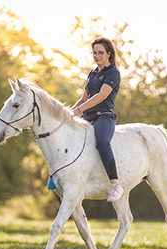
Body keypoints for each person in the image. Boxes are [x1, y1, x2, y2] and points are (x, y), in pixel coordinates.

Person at [71, 37, 124, 202]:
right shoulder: (92, 73)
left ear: (109, 54)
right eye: (94, 52)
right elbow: (84, 98)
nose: (97, 55)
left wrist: (79, 110)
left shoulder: (113, 72)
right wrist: (68, 112)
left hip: (104, 117)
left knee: (101, 141)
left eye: (100, 52)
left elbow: (101, 96)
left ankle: (115, 184)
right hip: (87, 116)